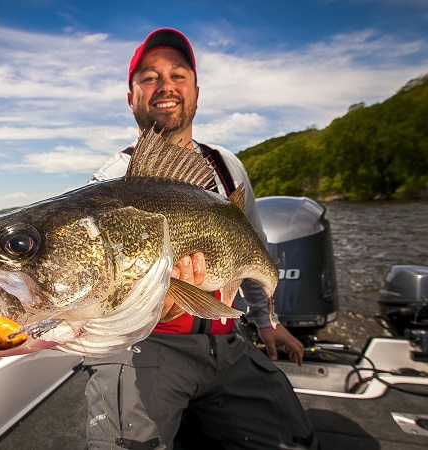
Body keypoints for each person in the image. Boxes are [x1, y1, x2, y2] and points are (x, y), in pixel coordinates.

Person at [85, 28, 318, 449]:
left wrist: (267, 322)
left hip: (227, 343)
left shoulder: (227, 166)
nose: (164, 86)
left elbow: (251, 249)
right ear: (131, 97)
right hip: (147, 349)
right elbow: (99, 297)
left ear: (195, 90)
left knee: (297, 441)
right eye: (149, 77)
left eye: (177, 74)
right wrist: (155, 307)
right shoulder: (110, 184)